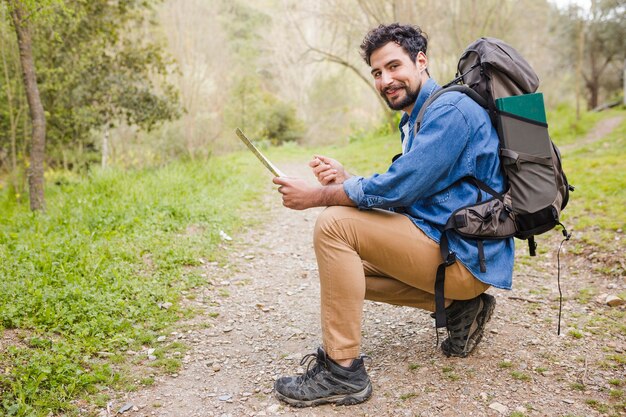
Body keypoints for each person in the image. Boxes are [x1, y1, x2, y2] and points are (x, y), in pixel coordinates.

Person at [271, 23, 514, 408]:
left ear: (421, 61)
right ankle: (460, 309)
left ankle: (342, 371)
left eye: (393, 66)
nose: (386, 79)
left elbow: (401, 186)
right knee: (344, 272)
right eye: (377, 73)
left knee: (334, 225)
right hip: (455, 252)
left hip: (466, 257)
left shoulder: (451, 111)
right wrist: (347, 179)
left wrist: (319, 195)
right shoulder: (420, 116)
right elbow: (411, 192)